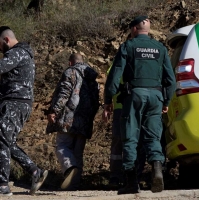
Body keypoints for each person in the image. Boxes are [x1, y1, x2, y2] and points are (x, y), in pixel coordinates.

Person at [104, 15, 176, 194]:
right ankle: (157, 169)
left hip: (134, 96)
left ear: (134, 29)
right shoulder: (160, 48)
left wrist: (107, 100)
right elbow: (171, 81)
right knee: (153, 137)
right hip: (156, 97)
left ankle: (131, 183)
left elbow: (114, 76)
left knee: (130, 137)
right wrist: (166, 101)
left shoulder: (128, 46)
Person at [0, 26, 48, 196]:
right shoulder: (24, 54)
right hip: (19, 103)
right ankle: (35, 171)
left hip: (14, 103)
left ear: (6, 40)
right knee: (7, 141)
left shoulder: (15, 53)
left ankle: (3, 185)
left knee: (2, 140)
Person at [47, 53, 99, 191]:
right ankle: (73, 185)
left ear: (70, 63)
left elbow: (64, 93)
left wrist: (54, 111)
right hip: (85, 120)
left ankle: (70, 167)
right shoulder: (92, 77)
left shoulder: (70, 72)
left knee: (62, 146)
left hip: (68, 117)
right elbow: (96, 102)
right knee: (78, 153)